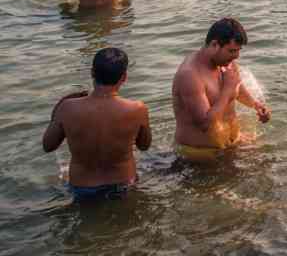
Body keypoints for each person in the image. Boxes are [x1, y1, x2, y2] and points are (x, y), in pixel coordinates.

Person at [41, 47, 151, 201]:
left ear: (92, 72)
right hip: (124, 184)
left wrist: (59, 107)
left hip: (82, 187)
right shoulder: (137, 109)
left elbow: (48, 146)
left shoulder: (67, 108)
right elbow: (144, 146)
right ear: (124, 77)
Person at [172, 18, 270, 161]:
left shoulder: (226, 61)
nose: (236, 56)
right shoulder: (190, 75)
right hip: (201, 155)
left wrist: (256, 105)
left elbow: (237, 88)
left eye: (238, 50)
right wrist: (227, 91)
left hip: (232, 144)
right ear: (214, 44)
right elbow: (205, 124)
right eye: (231, 50)